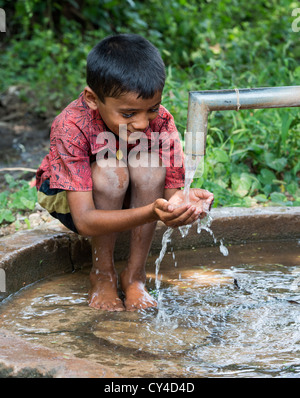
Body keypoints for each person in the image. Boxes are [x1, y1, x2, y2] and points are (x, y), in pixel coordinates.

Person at [36, 34, 214, 312]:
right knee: (110, 170)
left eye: (151, 109)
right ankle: (102, 273)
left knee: (148, 165)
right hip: (71, 201)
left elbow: (171, 195)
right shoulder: (71, 125)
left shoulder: (162, 121)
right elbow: (84, 221)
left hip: (131, 194)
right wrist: (152, 212)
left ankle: (134, 276)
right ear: (93, 99)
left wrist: (184, 204)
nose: (143, 122)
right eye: (129, 114)